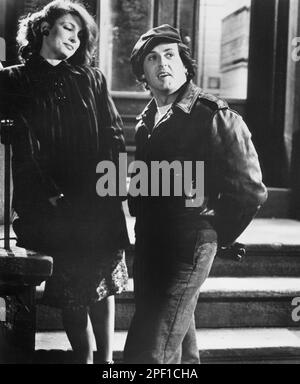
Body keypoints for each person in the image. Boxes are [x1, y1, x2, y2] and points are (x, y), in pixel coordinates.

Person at [123, 24, 268, 364]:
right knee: (177, 343)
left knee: (147, 350)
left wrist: (214, 233)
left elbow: (249, 191)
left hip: (188, 243)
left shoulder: (213, 114)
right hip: (150, 243)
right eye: (153, 58)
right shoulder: (146, 119)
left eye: (171, 56)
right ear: (142, 73)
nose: (163, 64)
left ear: (186, 64)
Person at [0, 0, 129, 364]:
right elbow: (22, 145)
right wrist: (50, 196)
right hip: (50, 203)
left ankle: (106, 363)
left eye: (81, 33)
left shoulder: (92, 78)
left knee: (102, 285)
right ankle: (86, 361)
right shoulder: (13, 79)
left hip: (98, 199)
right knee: (72, 288)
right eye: (69, 27)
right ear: (44, 27)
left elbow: (114, 135)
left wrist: (112, 187)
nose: (76, 37)